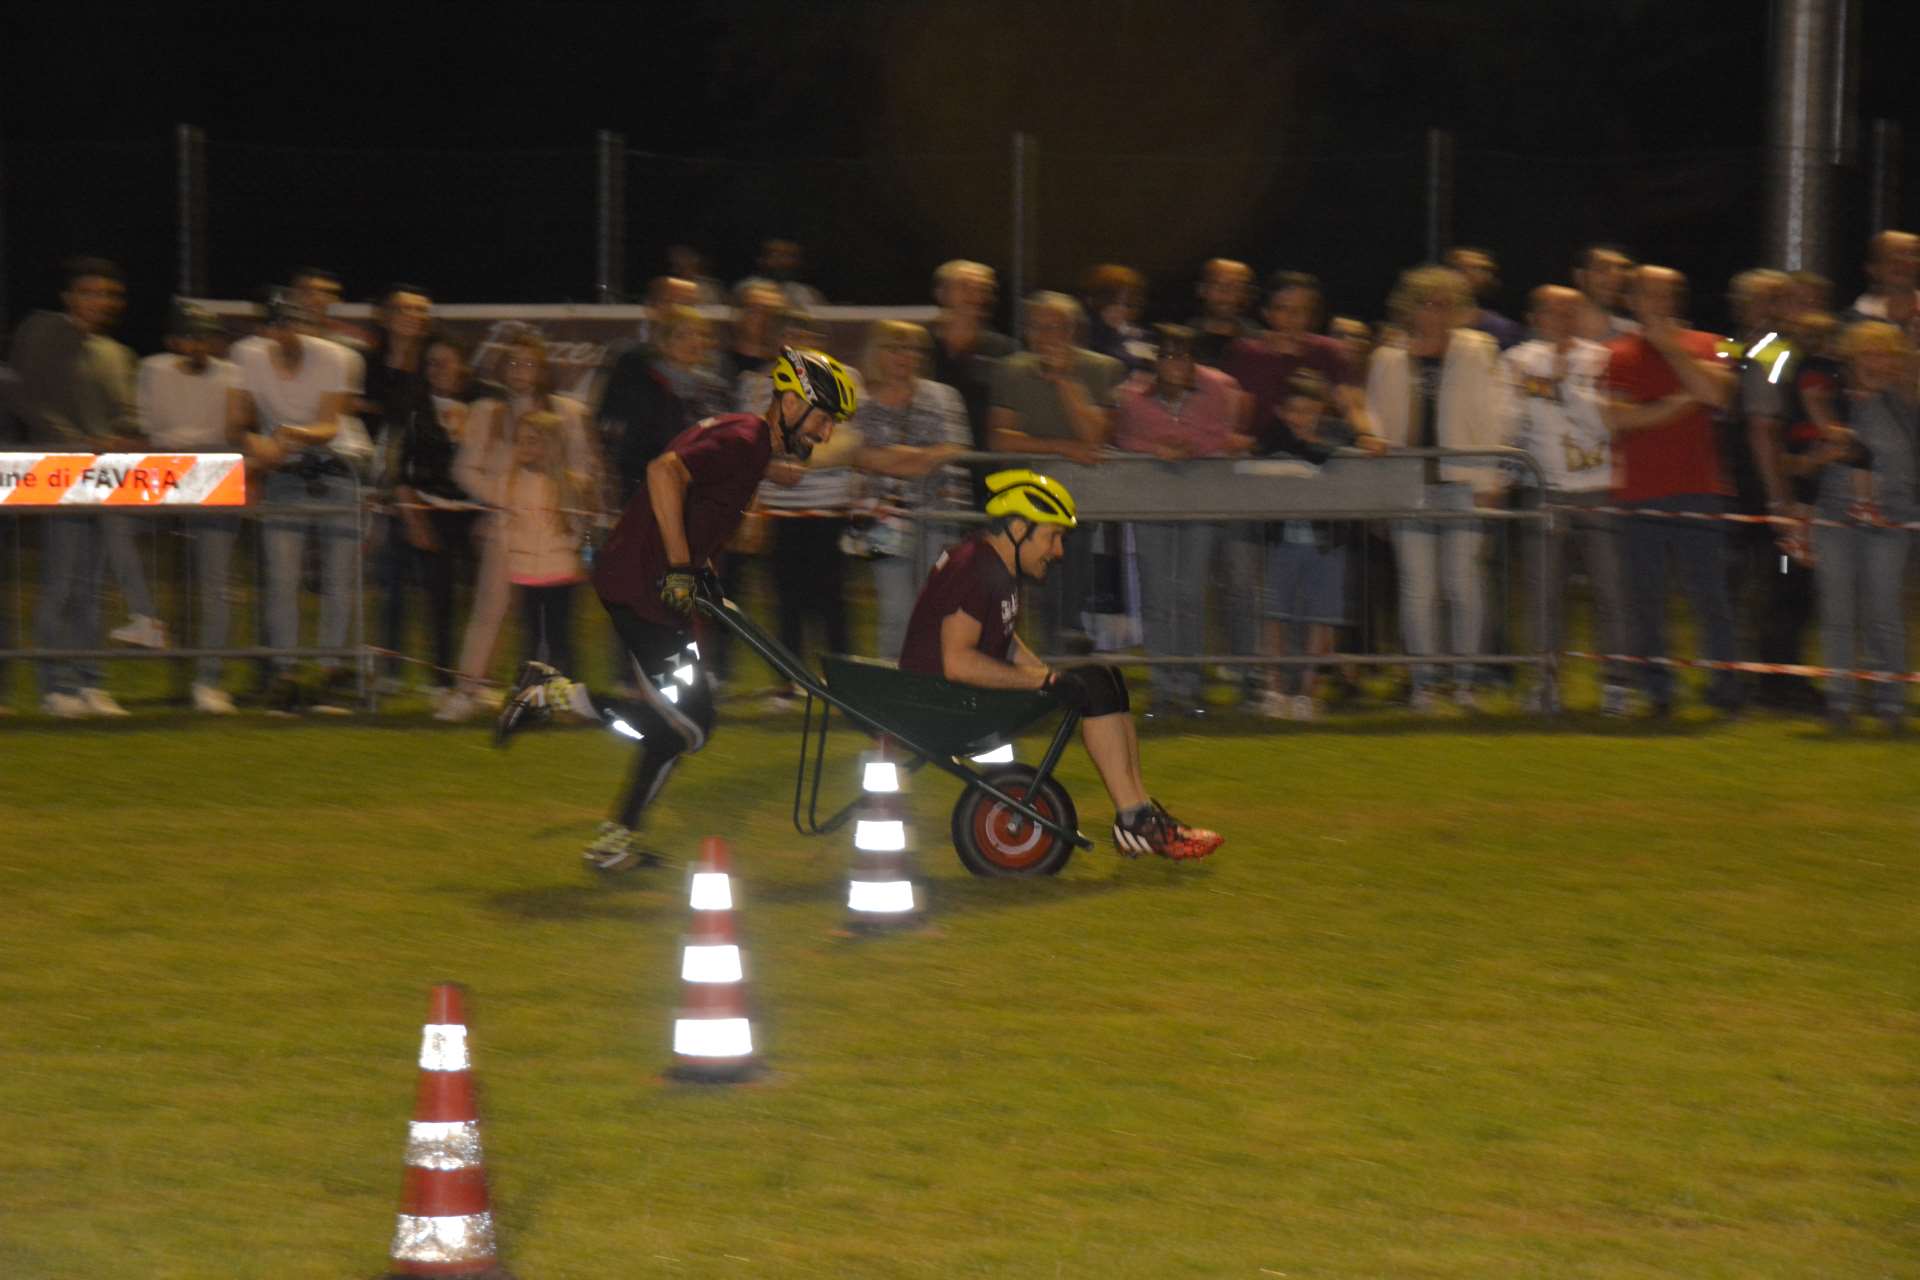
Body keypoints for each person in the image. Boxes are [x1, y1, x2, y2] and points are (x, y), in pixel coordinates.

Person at [494, 347, 858, 871]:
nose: (825, 433)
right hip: (643, 587)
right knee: (688, 726)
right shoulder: (744, 439)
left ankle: (615, 840)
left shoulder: (750, 445)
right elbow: (664, 472)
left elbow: (692, 506)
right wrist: (683, 566)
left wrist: (698, 569)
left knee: (687, 724)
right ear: (791, 403)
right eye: (823, 418)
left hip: (657, 590)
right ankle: (549, 695)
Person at [897, 469, 1223, 861]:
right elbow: (958, 663)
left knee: (1105, 677)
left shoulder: (992, 564)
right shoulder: (976, 570)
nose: (1058, 551)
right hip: (942, 704)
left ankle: (1139, 812)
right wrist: (1043, 680)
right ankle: (1135, 820)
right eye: (1052, 537)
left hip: (952, 697)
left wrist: (1046, 676)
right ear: (1019, 528)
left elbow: (1002, 638)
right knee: (1093, 686)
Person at [1599, 265, 1741, 716]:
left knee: (1711, 596)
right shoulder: (1615, 352)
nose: (1658, 303)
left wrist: (1673, 352)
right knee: (1647, 599)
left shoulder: (1712, 343)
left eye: (1666, 295)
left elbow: (1717, 396)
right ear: (1632, 301)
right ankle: (1659, 690)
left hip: (1700, 488)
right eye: (1648, 294)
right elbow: (1619, 419)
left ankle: (1725, 687)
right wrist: (1684, 398)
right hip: (1639, 491)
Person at [1366, 264, 1507, 710]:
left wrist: (1492, 478)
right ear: (1410, 307)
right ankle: (1423, 682)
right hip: (1409, 485)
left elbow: (1495, 415)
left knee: (1463, 584)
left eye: (1446, 305)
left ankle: (1466, 681)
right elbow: (1377, 423)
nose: (1436, 313)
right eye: (1427, 304)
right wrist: (1381, 490)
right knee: (1417, 587)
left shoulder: (1478, 349)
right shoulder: (1387, 356)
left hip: (1464, 481)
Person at [9, 257, 143, 717]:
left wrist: (124, 435)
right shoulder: (42, 330)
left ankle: (90, 683)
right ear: (68, 297)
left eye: (107, 294)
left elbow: (127, 412)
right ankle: (55, 687)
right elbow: (27, 398)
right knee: (62, 584)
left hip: (105, 479)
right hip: (59, 473)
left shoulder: (116, 353)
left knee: (93, 588)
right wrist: (76, 442)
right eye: (88, 292)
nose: (98, 301)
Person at [442, 331, 598, 721]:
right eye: (513, 362)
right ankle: (468, 690)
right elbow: (464, 470)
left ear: (543, 369)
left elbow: (582, 469)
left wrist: (560, 500)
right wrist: (506, 497)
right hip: (505, 527)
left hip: (554, 532)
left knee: (552, 622)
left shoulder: (567, 412)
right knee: (489, 609)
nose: (520, 371)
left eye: (529, 363)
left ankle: (555, 695)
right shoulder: (487, 412)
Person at [231, 289, 367, 714]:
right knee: (282, 579)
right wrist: (254, 441)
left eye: (296, 323)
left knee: (338, 580)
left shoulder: (334, 356)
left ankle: (329, 673)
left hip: (336, 468)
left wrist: (286, 436)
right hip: (284, 475)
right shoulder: (246, 355)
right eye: (279, 324)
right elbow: (238, 419)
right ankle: (285, 675)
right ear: (265, 329)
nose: (289, 332)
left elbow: (329, 425)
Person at [1501, 285, 1629, 713]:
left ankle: (1617, 686)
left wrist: (1562, 388)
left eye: (1571, 311)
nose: (1563, 319)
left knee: (1610, 590)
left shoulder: (1602, 358)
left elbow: (1608, 422)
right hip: (1543, 491)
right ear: (1535, 317)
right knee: (1543, 594)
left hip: (1597, 487)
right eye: (1553, 311)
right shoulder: (1516, 361)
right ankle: (1544, 684)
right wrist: (1505, 475)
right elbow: (1510, 425)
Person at [1111, 324, 1251, 713]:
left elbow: (1223, 436)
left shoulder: (1215, 391)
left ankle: (1189, 685)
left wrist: (1190, 446)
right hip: (1152, 506)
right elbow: (1122, 440)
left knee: (1190, 595)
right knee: (1157, 595)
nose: (1176, 363)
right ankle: (1162, 686)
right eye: (1169, 355)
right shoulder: (1134, 398)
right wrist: (1154, 448)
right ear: (1156, 360)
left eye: (1184, 355)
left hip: (1199, 504)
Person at [1809, 321, 1916, 732]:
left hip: (1891, 519)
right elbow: (1812, 451)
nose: (1876, 362)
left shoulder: (1906, 403)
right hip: (1836, 518)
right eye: (1868, 354)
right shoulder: (1833, 400)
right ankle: (1840, 702)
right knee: (1837, 611)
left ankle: (1890, 703)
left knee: (1883, 611)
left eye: (1885, 354)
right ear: (1852, 359)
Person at [137, 301, 244, 713]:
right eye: (191, 337)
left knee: (215, 586)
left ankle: (208, 681)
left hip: (212, 475)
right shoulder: (153, 369)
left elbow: (229, 430)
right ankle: (147, 621)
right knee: (119, 531)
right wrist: (187, 444)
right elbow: (151, 428)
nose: (200, 346)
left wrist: (188, 443)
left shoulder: (231, 373)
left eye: (206, 338)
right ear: (174, 340)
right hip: (164, 475)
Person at [847, 320, 970, 659]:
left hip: (940, 516)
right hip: (882, 521)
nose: (905, 356)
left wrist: (890, 458)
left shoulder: (943, 396)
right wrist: (921, 458)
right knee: (896, 610)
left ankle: (938, 677)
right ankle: (893, 678)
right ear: (876, 352)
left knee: (939, 605)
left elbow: (954, 450)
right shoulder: (860, 402)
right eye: (895, 348)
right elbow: (858, 456)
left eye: (913, 349)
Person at [1259, 374, 1371, 719]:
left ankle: (1308, 692)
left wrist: (1354, 421)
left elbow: (1356, 446)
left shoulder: (1337, 434)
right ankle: (1274, 688)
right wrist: (1316, 450)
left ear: (1321, 410)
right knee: (1276, 614)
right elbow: (1278, 452)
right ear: (1282, 411)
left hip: (1327, 542)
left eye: (1308, 411)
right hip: (1283, 540)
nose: (1300, 418)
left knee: (1322, 618)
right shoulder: (1274, 435)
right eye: (1294, 411)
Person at [1445, 246, 1526, 350]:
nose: (1471, 274)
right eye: (1461, 269)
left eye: (1480, 269)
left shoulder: (1502, 328)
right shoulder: (1429, 318)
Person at [1185, 258, 1257, 368]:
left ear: (1246, 294)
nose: (1227, 292)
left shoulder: (1259, 343)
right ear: (1202, 289)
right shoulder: (1183, 340)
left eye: (1237, 287)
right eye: (1218, 284)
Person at [1083, 264, 1155, 373]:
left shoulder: (1144, 337)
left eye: (1128, 304)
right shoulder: (1084, 333)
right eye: (1112, 302)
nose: (1120, 310)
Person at [1573, 244, 1637, 342]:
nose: (1614, 278)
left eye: (1622, 270)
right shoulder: (1554, 327)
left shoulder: (1634, 336)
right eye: (1602, 268)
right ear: (1580, 276)